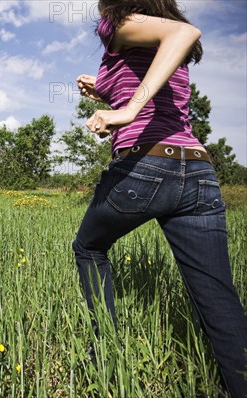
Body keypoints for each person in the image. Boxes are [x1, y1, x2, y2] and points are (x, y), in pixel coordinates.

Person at [72, 0, 247, 396]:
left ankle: (105, 356)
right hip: (197, 170)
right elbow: (155, 87)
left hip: (146, 167)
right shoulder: (158, 41)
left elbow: (185, 34)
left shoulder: (117, 23)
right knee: (219, 296)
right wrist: (105, 95)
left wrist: (127, 112)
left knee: (89, 247)